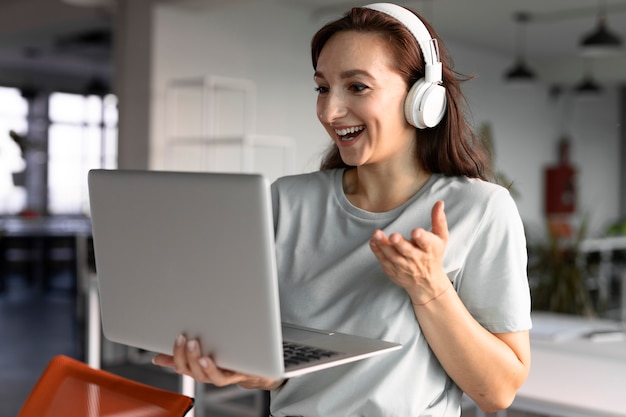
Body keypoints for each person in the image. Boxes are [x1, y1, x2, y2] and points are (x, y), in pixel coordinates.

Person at [153, 3, 532, 416]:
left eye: (357, 87)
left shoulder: (480, 210)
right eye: (322, 88)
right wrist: (243, 369)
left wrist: (430, 288)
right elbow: (278, 371)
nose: (330, 112)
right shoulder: (287, 202)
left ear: (423, 98)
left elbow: (498, 393)